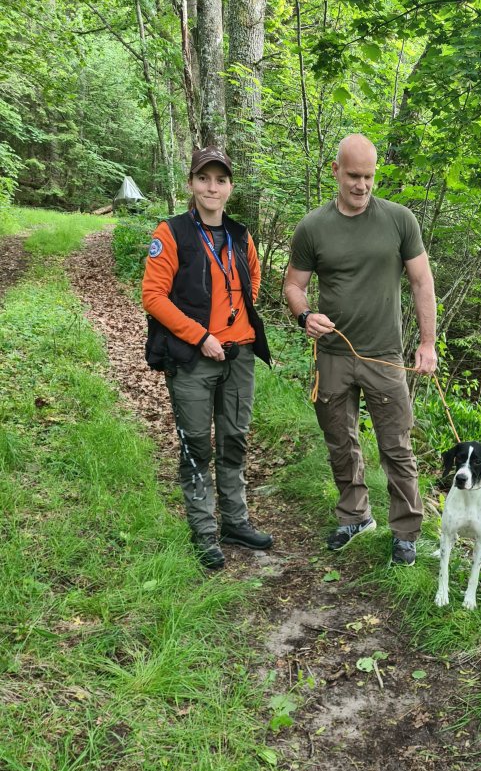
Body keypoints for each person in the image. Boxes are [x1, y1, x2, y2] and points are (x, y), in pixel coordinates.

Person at [284, 133, 438, 566]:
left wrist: (427, 343)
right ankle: (354, 516)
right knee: (339, 440)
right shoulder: (313, 227)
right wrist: (304, 315)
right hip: (333, 355)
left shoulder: (399, 220)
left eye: (369, 176)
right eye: (353, 175)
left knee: (396, 445)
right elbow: (294, 286)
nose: (362, 185)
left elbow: (422, 281)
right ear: (335, 171)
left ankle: (405, 530)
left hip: (385, 356)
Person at [142, 146, 272, 570]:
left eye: (220, 180)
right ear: (192, 184)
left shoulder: (240, 235)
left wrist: (238, 319)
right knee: (197, 445)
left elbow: (253, 277)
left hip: (240, 356)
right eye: (204, 179)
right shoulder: (171, 233)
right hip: (192, 358)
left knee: (234, 439)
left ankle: (236, 522)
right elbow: (153, 297)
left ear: (230, 187)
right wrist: (201, 336)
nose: (211, 187)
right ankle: (204, 532)